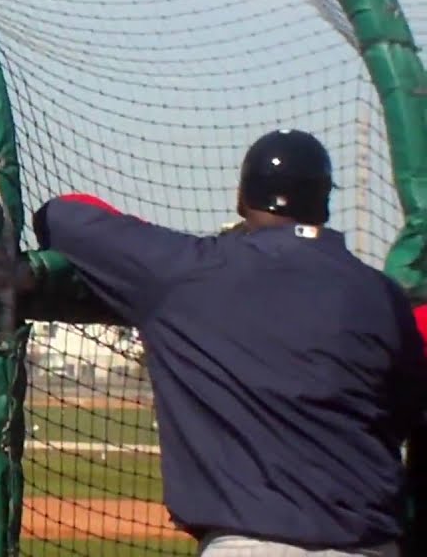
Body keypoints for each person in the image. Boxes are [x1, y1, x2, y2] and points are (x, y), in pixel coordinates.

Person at [29, 129, 427, 556]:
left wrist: (147, 238)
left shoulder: (186, 271)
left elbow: (62, 215)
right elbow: (407, 413)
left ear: (242, 198)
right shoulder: (381, 296)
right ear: (325, 203)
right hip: (372, 545)